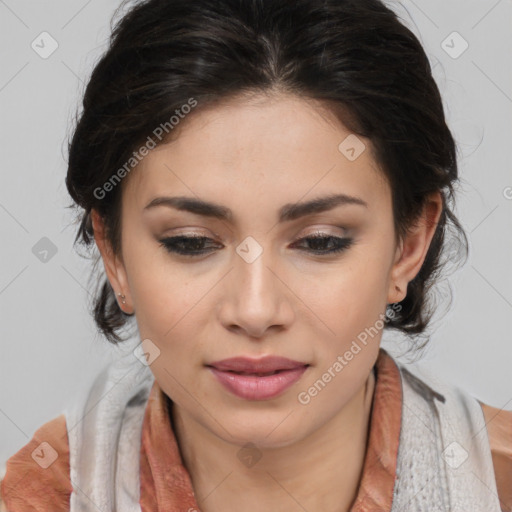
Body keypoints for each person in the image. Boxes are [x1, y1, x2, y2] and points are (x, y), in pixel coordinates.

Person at [1, 0, 511, 510]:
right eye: (190, 242)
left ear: (409, 244)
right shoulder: (43, 496)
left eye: (321, 241)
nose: (255, 310)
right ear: (114, 254)